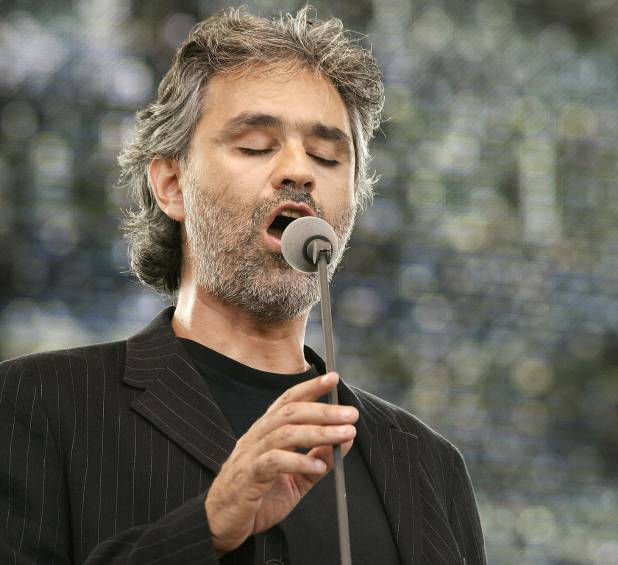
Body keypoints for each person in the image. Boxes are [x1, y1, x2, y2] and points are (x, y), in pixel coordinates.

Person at [0, 7, 485, 565]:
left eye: (328, 156)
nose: (299, 171)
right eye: (256, 145)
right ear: (172, 185)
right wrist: (206, 525)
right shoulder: (36, 403)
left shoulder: (428, 466)